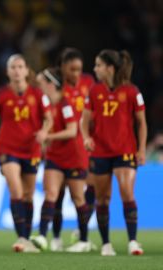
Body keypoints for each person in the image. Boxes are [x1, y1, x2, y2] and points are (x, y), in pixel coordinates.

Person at [0, 54, 53, 253]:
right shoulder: (0, 96)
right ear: (7, 71)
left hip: (31, 149)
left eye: (20, 66)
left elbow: (48, 118)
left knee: (29, 195)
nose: (16, 70)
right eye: (13, 67)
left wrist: (45, 131)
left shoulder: (38, 95)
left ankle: (26, 236)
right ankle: (22, 237)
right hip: (7, 149)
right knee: (16, 190)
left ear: (26, 70)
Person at [81, 49, 147, 256]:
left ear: (109, 68)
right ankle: (106, 244)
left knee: (127, 192)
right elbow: (84, 121)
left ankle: (133, 241)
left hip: (125, 150)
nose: (95, 69)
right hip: (100, 151)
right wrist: (86, 137)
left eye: (98, 65)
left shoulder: (131, 91)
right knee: (102, 199)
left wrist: (142, 149)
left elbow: (141, 123)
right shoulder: (94, 91)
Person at [29, 67, 91, 253]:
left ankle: (84, 240)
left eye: (41, 83)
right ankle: (42, 235)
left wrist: (48, 137)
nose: (39, 87)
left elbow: (73, 131)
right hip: (55, 157)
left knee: (78, 198)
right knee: (51, 195)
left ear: (50, 85)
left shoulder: (65, 104)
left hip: (74, 156)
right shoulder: (47, 106)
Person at [51, 48, 96, 251]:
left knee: (91, 188)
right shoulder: (58, 88)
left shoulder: (89, 83)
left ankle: (82, 232)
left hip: (84, 145)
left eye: (79, 69)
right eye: (72, 69)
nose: (76, 74)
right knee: (58, 194)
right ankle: (57, 237)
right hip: (62, 146)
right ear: (63, 68)